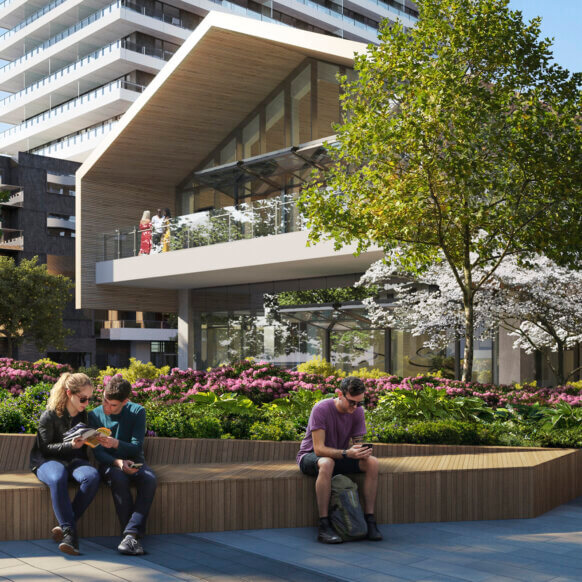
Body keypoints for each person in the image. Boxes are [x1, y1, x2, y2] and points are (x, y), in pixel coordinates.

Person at [297, 376, 382, 544]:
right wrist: (346, 453)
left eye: (359, 403)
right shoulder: (321, 409)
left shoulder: (357, 411)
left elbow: (357, 443)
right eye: (352, 402)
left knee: (372, 462)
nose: (355, 407)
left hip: (339, 456)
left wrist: (361, 451)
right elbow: (319, 449)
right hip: (310, 456)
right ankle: (324, 525)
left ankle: (370, 520)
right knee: (327, 462)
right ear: (340, 394)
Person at [30, 373, 102, 556]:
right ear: (69, 393)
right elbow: (45, 448)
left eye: (89, 399)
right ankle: (71, 536)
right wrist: (69, 445)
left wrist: (95, 439)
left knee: (92, 477)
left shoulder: (84, 416)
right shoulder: (49, 416)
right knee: (58, 475)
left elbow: (84, 447)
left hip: (75, 460)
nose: (86, 403)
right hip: (48, 461)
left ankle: (65, 526)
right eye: (83, 399)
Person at [89, 376, 157, 555]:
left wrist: (116, 443)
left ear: (126, 401)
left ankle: (129, 535)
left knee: (149, 479)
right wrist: (118, 462)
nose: (107, 407)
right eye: (105, 401)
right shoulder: (94, 415)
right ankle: (131, 537)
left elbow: (136, 446)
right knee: (118, 476)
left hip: (134, 460)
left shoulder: (138, 411)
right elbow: (97, 453)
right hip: (109, 464)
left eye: (113, 405)